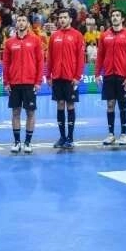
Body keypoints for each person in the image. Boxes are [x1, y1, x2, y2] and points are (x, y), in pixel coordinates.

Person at [96, 9, 126, 145]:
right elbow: (100, 56)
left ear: (122, 19)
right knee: (110, 105)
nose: (115, 17)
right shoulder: (104, 35)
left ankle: (124, 134)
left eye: (117, 15)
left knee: (122, 105)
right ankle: (111, 134)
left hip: (123, 76)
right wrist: (97, 74)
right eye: (113, 15)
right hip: (109, 75)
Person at [3, 13, 43, 154]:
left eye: (23, 20)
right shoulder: (9, 42)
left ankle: (27, 142)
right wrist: (6, 82)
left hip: (30, 83)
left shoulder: (35, 40)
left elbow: (40, 62)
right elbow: (6, 63)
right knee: (15, 112)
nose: (21, 22)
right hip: (14, 83)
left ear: (28, 24)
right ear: (16, 23)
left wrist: (38, 82)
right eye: (18, 20)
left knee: (30, 112)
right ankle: (17, 142)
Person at [47, 9, 84, 149]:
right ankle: (62, 137)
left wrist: (77, 76)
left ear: (70, 19)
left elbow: (80, 58)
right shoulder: (54, 36)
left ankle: (70, 138)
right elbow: (50, 57)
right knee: (60, 105)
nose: (62, 19)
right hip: (57, 77)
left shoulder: (77, 35)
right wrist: (48, 75)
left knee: (70, 105)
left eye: (64, 17)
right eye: (60, 17)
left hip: (70, 78)